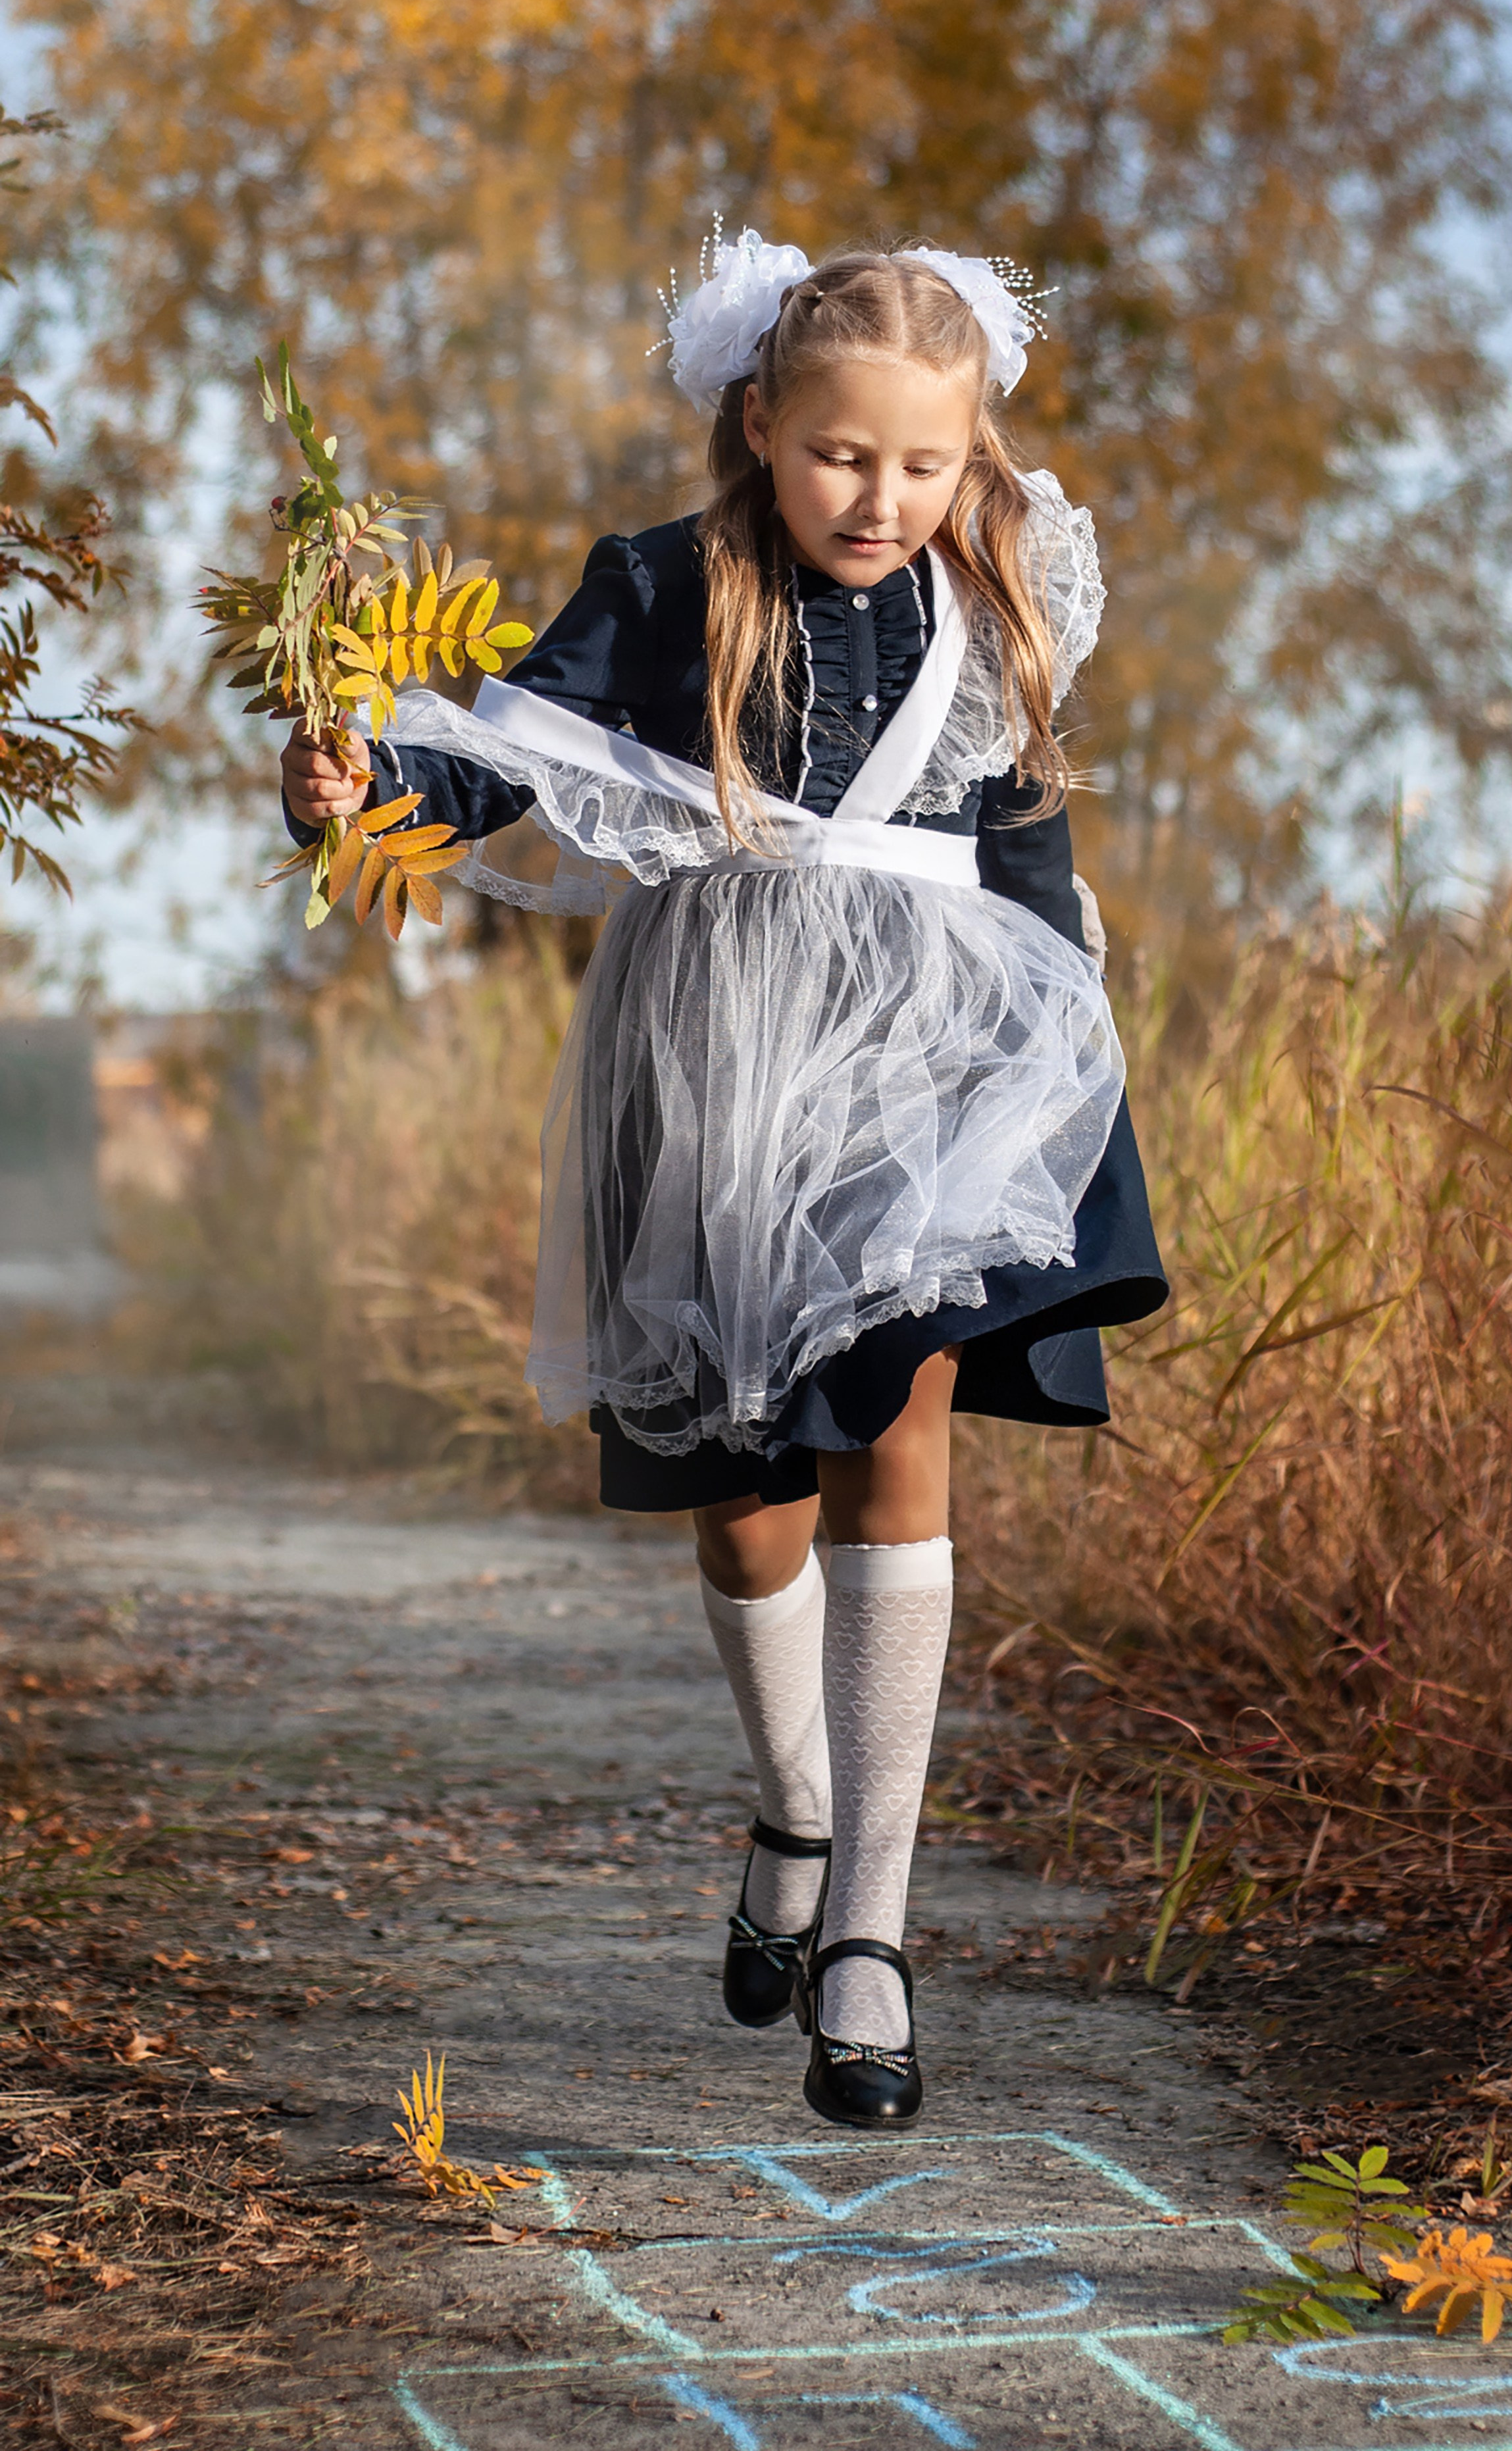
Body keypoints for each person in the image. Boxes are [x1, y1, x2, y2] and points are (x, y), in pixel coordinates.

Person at [278, 234, 1168, 2129]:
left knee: (899, 1430)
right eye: (845, 456)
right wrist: (365, 792)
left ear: (971, 459)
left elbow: (1027, 850)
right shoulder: (668, 583)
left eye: (925, 466)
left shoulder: (993, 604)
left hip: (937, 1063)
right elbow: (507, 755)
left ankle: (870, 1929)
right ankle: (794, 1801)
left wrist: (1071, 1066)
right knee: (749, 1500)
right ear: (761, 425)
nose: (883, 499)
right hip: (715, 1068)